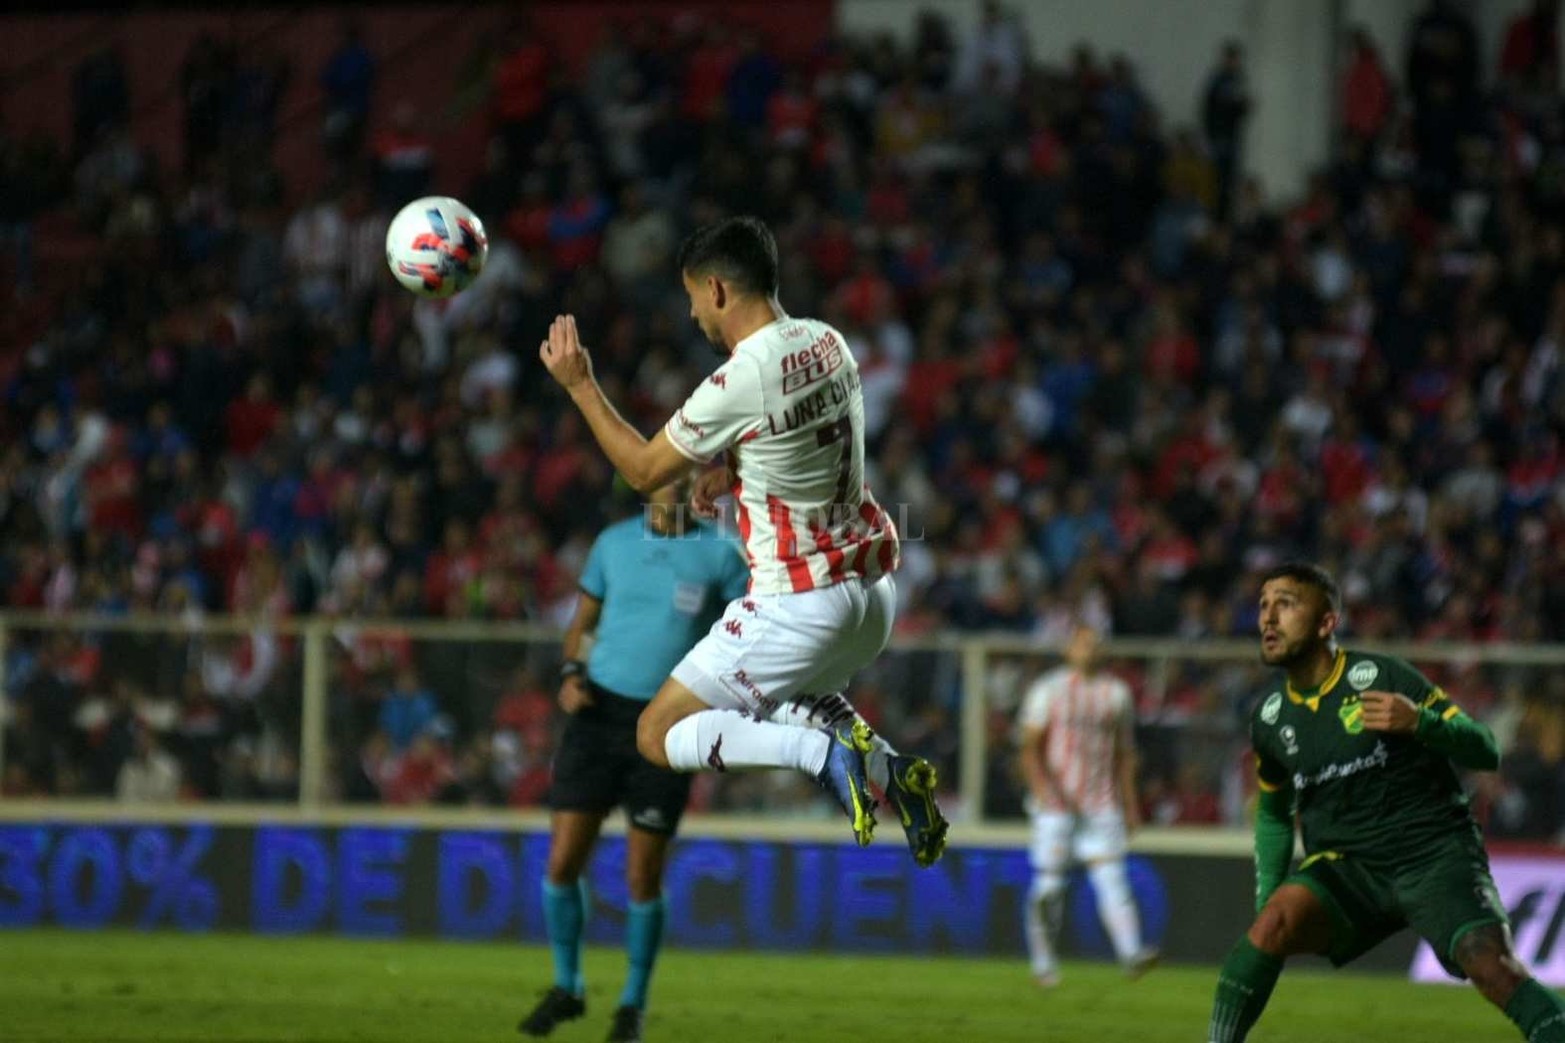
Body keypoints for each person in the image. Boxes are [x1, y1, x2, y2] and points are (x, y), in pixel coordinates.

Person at [537, 215, 948, 869]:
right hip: (871, 596)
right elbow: (806, 439)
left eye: (692, 296)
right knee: (785, 696)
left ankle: (820, 757)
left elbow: (644, 470)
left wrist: (580, 384)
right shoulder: (828, 342)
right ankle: (894, 774)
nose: (693, 312)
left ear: (718, 290)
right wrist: (731, 472)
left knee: (657, 731)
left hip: (801, 598)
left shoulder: (740, 377)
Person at [1206, 562, 1565, 1042]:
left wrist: (1422, 723)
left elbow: (1486, 749)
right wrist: (1268, 891)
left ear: (1326, 622)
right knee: (1274, 922)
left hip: (1433, 854)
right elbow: (1273, 811)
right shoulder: (1270, 718)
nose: (1268, 618)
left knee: (1494, 968)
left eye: (1286, 604)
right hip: (1349, 869)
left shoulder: (1381, 676)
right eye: (1264, 605)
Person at [519, 479, 749, 1043]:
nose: (672, 485)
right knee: (562, 861)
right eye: (662, 475)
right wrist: (571, 675)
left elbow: (748, 631)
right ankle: (567, 986)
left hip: (669, 724)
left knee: (642, 875)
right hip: (598, 717)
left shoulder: (721, 554)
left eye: (682, 475)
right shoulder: (613, 545)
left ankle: (631, 1006)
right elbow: (582, 627)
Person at [1017, 624, 1156, 987]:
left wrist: (1130, 805)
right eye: (1082, 644)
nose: (1090, 650)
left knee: (1112, 879)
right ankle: (1043, 964)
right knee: (1049, 887)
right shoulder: (1049, 689)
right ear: (1069, 650)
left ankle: (1132, 954)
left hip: (1101, 802)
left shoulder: (1117, 694)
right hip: (1057, 804)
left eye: (1095, 644)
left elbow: (1125, 755)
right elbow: (1030, 747)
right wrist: (1041, 789)